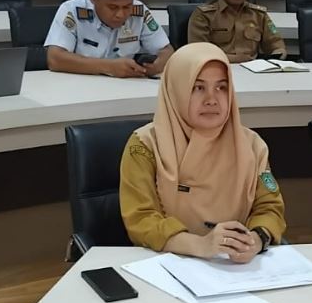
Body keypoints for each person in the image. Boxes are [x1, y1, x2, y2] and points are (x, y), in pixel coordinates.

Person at [119, 43, 286, 262]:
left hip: (233, 266)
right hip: (166, 262)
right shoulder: (144, 145)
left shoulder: (252, 145)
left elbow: (269, 208)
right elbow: (141, 219)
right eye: (198, 88)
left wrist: (255, 239)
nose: (211, 99)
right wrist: (201, 244)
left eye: (221, 87)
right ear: (176, 91)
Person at [45, 0, 173, 78]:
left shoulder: (139, 11)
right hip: (79, 85)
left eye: (127, 7)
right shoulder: (72, 9)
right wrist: (109, 67)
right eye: (113, 7)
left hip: (125, 87)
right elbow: (55, 59)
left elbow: (166, 51)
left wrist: (157, 66)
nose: (120, 14)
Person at [187, 0, 286, 63]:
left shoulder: (259, 15)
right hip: (217, 69)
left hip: (252, 70)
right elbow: (199, 54)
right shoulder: (203, 16)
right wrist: (239, 60)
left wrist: (277, 56)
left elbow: (277, 45)